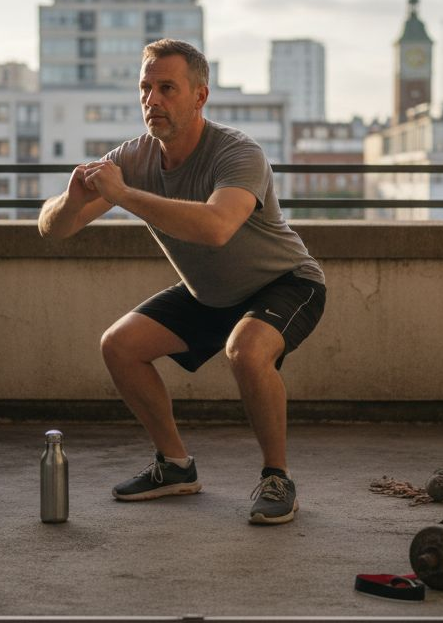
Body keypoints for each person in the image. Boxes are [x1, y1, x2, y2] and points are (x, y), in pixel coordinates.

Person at [37, 38, 326, 525]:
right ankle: (175, 467)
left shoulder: (237, 152)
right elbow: (52, 228)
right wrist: (70, 200)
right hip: (210, 293)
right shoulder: (134, 157)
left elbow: (216, 227)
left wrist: (124, 194)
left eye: (167, 88)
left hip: (286, 282)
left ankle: (278, 477)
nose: (153, 100)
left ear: (200, 96)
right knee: (120, 345)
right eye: (145, 88)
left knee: (247, 350)